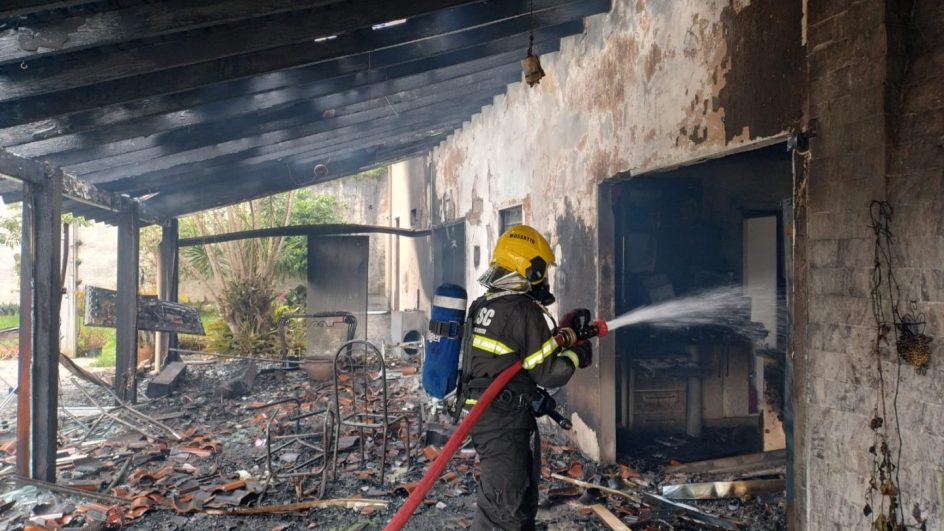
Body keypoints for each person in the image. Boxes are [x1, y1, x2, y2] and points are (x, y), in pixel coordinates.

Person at [458, 225, 593, 530]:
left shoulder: (486, 305)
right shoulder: (524, 311)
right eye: (542, 269)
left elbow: (518, 357)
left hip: (488, 415)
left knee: (518, 496)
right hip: (503, 420)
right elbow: (548, 372)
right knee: (503, 508)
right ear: (528, 268)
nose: (544, 278)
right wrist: (577, 355)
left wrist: (561, 336)